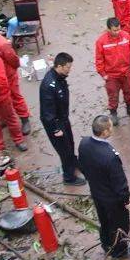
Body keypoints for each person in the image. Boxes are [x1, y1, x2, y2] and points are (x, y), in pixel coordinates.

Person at [78, 115, 130, 259]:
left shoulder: (84, 143)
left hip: (97, 193)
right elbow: (119, 182)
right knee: (120, 225)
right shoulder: (110, 156)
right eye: (110, 127)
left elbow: (82, 165)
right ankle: (120, 251)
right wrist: (126, 200)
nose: (112, 129)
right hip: (113, 199)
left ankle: (106, 244)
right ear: (104, 132)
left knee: (104, 221)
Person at [40, 52, 85, 186]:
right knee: (64, 150)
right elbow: (47, 112)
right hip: (55, 123)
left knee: (70, 143)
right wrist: (55, 129)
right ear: (59, 66)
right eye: (67, 67)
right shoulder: (49, 85)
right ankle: (69, 177)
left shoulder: (59, 77)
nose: (69, 70)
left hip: (63, 118)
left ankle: (73, 162)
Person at [95, 17, 130, 126]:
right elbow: (99, 59)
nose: (117, 32)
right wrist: (103, 74)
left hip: (126, 72)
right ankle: (113, 113)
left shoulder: (126, 36)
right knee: (113, 95)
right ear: (108, 29)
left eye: (119, 29)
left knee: (129, 91)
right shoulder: (101, 41)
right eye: (114, 30)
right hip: (111, 75)